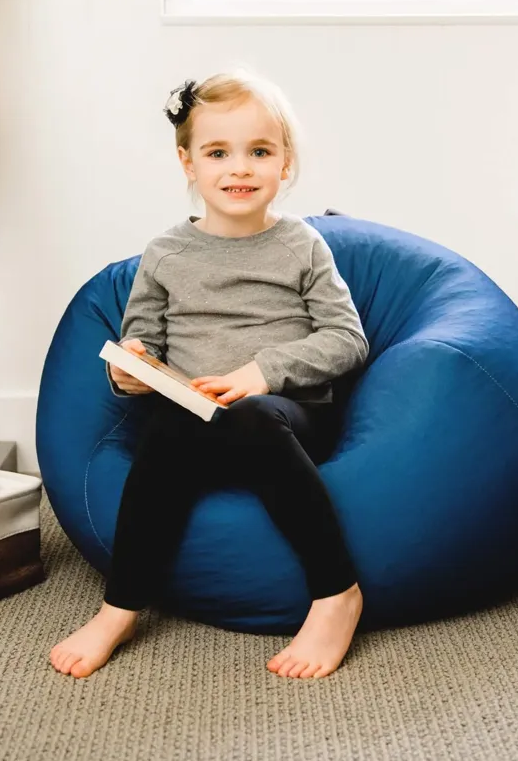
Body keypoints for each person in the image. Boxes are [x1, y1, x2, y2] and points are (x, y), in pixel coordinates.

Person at [49, 71, 369, 680]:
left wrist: (261, 373)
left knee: (248, 417)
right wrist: (135, 370)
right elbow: (143, 336)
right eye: (218, 153)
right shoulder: (166, 252)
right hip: (195, 419)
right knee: (166, 433)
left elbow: (347, 340)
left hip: (284, 420)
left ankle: (336, 592)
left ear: (285, 163)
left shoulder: (301, 245)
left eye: (259, 152)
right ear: (188, 163)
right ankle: (120, 606)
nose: (239, 168)